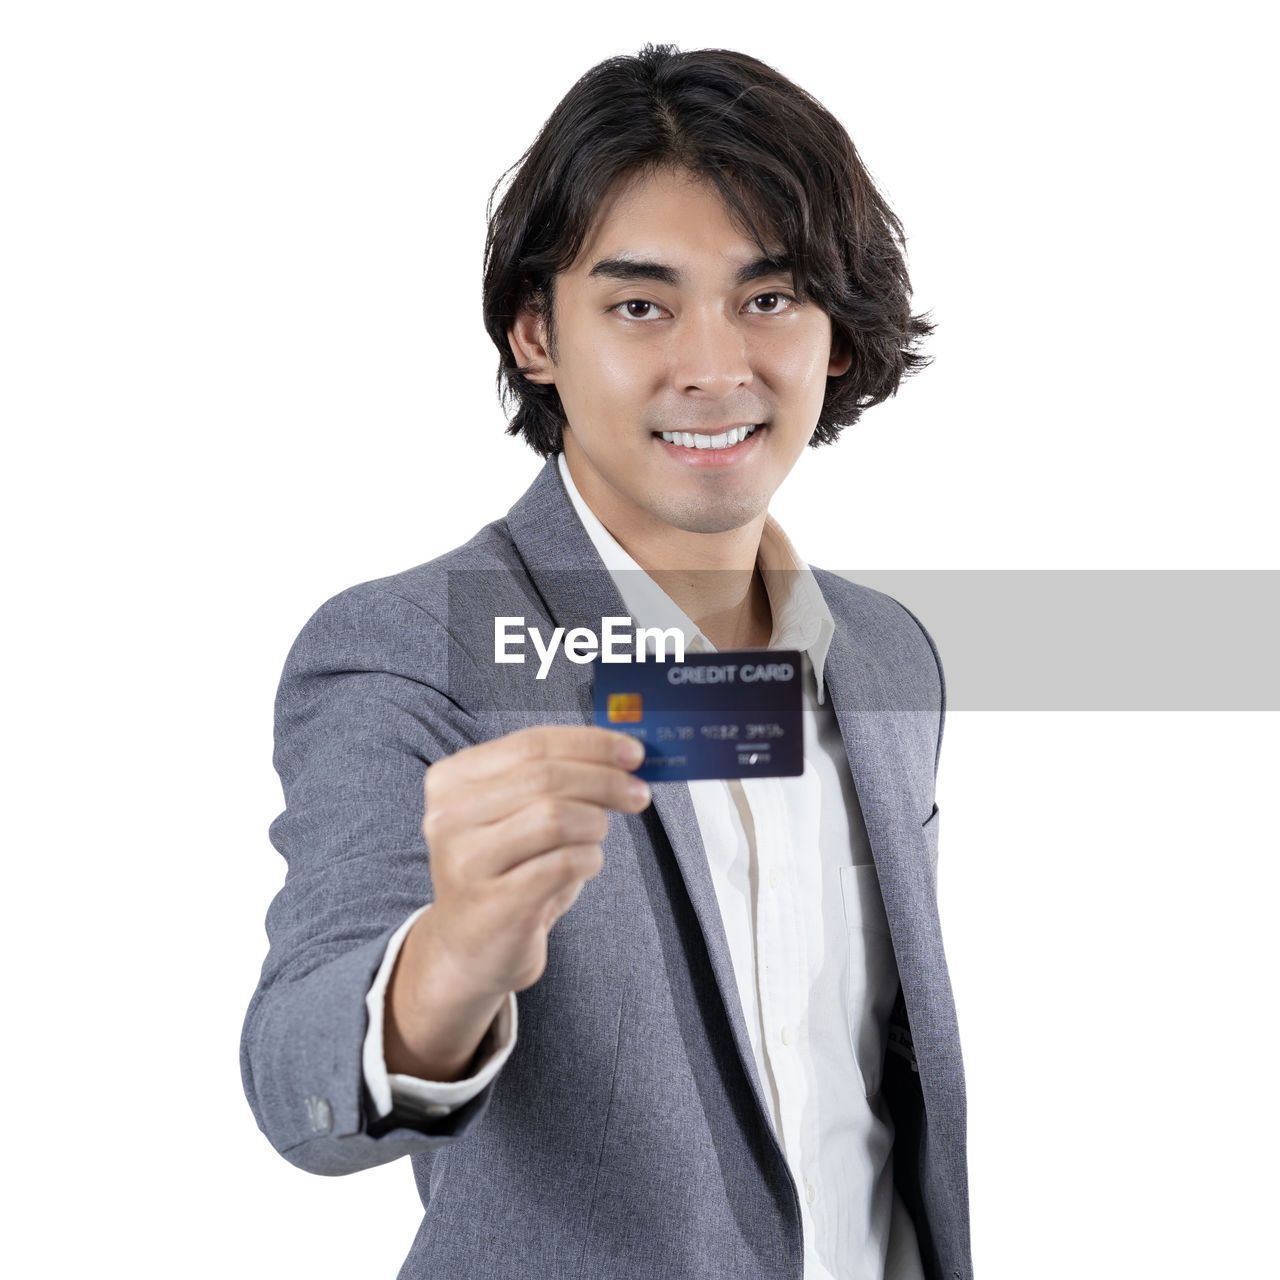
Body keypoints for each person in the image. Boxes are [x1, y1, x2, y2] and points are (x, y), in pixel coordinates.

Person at [242, 43, 970, 1280]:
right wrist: (450, 958)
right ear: (537, 332)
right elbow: (295, 1068)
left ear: (835, 333)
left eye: (768, 297)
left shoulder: (886, 653)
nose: (711, 366)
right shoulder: (408, 650)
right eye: (640, 304)